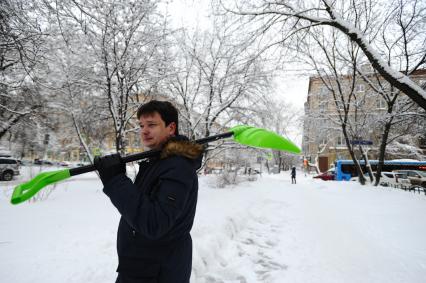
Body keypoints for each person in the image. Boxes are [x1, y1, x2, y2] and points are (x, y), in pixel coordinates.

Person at [94, 100, 204, 283]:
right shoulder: (158, 162)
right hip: (143, 267)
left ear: (171, 127)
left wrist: (116, 181)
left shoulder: (177, 167)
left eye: (152, 125)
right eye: (141, 125)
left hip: (158, 271)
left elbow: (154, 223)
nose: (144, 131)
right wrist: (118, 176)